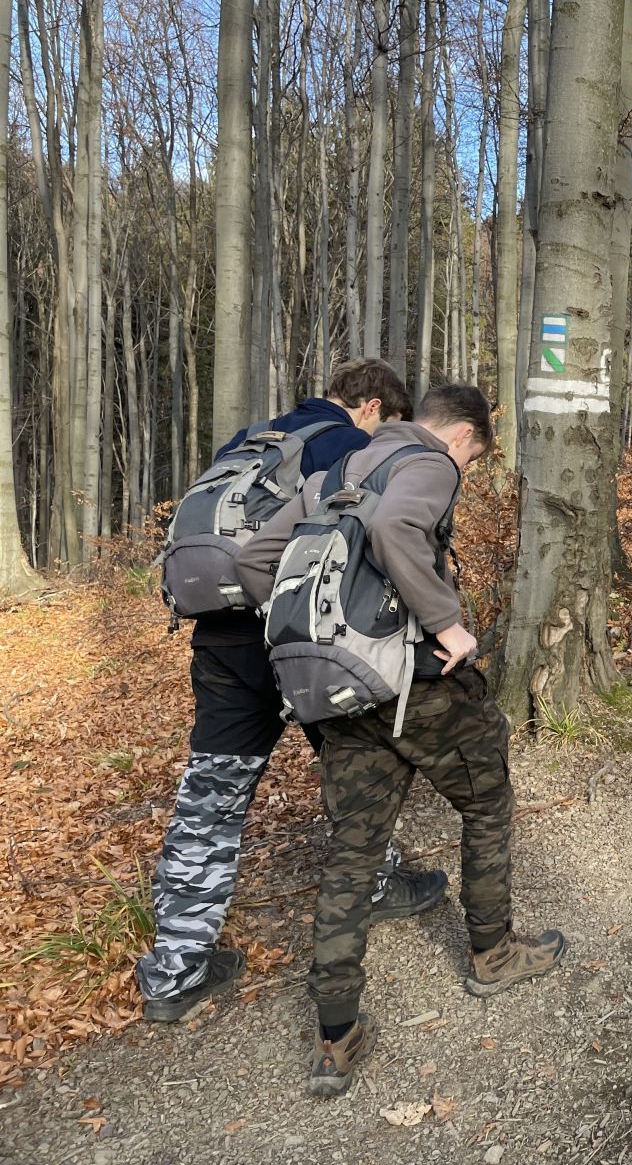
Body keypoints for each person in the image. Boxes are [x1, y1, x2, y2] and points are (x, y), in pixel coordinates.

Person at [236, 384, 566, 1097]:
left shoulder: (334, 473)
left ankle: (336, 1034)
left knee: (354, 849)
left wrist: (319, 636)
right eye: (473, 457)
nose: (466, 470)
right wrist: (447, 623)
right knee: (486, 804)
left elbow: (255, 560)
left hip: (343, 691)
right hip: (419, 683)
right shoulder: (429, 462)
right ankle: (493, 953)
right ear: (462, 435)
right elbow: (394, 530)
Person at [136, 359, 446, 1024]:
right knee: (354, 766)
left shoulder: (253, 439)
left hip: (219, 640)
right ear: (372, 407)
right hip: (299, 642)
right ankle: (375, 883)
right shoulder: (350, 447)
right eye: (389, 421)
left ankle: (175, 968)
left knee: (211, 795)